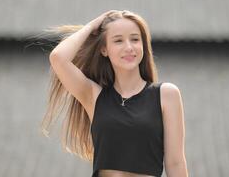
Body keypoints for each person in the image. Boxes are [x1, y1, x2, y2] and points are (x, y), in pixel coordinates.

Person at [41, 10, 188, 177]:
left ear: (143, 45)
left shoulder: (166, 95)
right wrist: (93, 25)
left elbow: (175, 163)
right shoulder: (94, 96)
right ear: (104, 49)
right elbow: (58, 57)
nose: (129, 47)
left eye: (135, 39)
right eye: (118, 40)